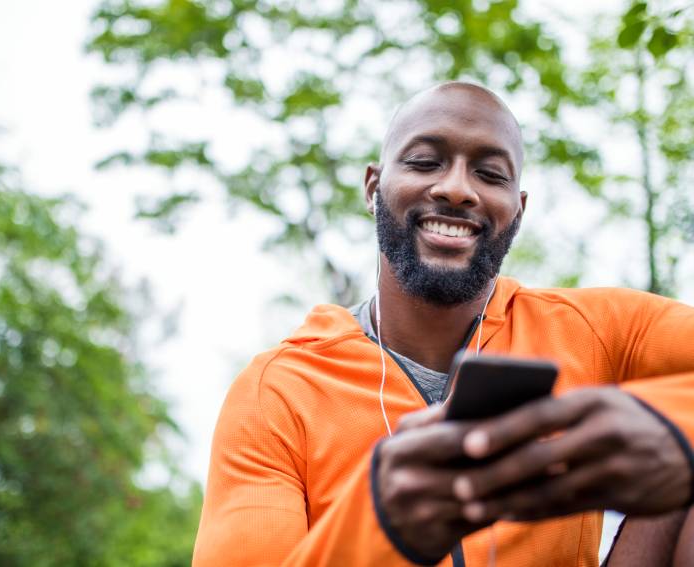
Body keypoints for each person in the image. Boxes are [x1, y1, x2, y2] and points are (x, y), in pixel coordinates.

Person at [192, 82, 694, 566]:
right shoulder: (277, 393)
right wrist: (381, 527)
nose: (456, 189)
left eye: (490, 174)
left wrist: (670, 427)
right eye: (424, 162)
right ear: (373, 187)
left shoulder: (595, 330)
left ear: (517, 210)